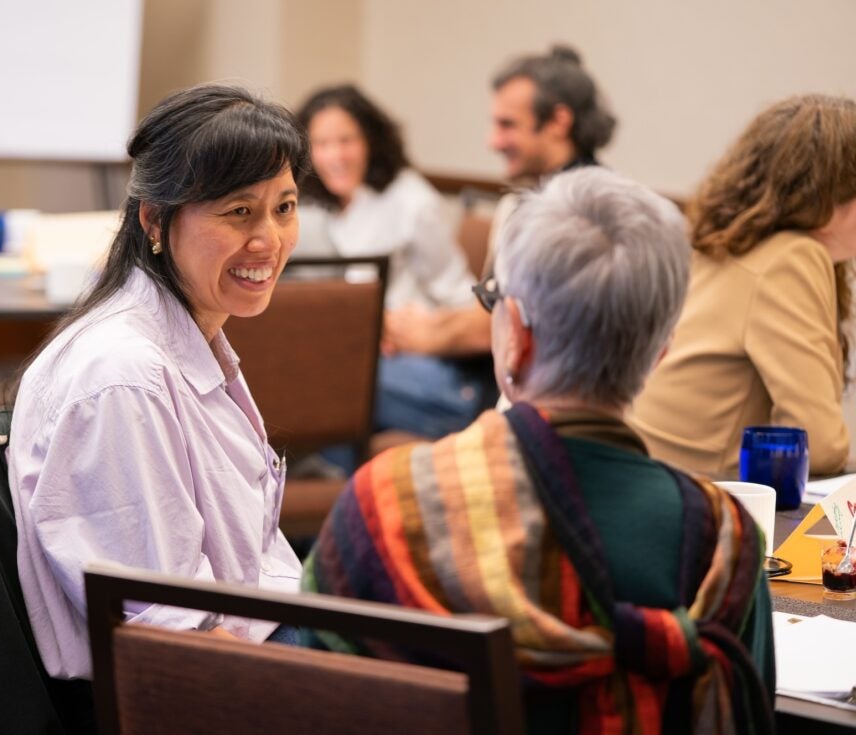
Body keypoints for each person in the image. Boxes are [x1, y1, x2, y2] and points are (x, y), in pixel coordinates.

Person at [303, 168, 775, 733]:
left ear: (517, 336)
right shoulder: (723, 540)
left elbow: (317, 695)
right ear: (661, 353)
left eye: (493, 300)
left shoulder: (387, 504)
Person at [6, 84, 308, 680]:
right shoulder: (123, 375)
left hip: (257, 626)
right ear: (154, 219)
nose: (269, 240)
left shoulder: (189, 334)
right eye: (239, 211)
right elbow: (177, 632)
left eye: (285, 207)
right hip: (206, 682)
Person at [631, 94, 856, 477]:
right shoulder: (792, 258)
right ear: (834, 194)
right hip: (699, 497)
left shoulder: (722, 242)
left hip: (648, 473)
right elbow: (818, 447)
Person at [384, 45, 617, 362]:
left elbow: (500, 327)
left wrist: (422, 333)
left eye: (507, 125)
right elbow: (494, 307)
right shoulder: (550, 197)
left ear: (559, 122)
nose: (492, 142)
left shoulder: (580, 214)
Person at [296, 84, 486, 439]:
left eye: (346, 140)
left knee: (309, 382)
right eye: (321, 144)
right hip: (364, 353)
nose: (334, 155)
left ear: (370, 140)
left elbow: (459, 294)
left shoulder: (412, 202)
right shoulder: (329, 208)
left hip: (421, 362)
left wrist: (418, 329)